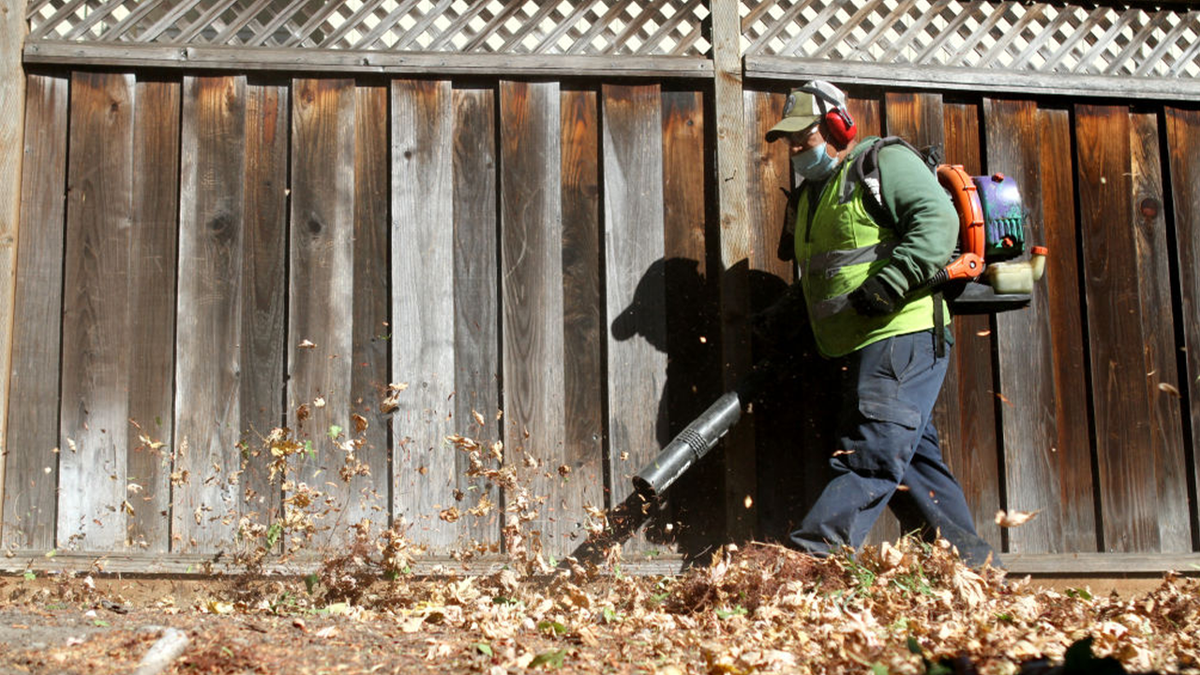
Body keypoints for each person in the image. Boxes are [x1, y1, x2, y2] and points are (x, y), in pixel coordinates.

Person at [764, 80, 998, 568]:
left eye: (803, 137)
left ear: (837, 127)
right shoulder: (814, 194)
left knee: (869, 454)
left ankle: (810, 562)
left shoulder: (883, 163)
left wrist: (892, 282)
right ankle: (970, 571)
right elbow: (825, 275)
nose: (796, 149)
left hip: (902, 332)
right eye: (790, 141)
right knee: (915, 465)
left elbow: (937, 221)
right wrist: (780, 318)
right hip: (856, 347)